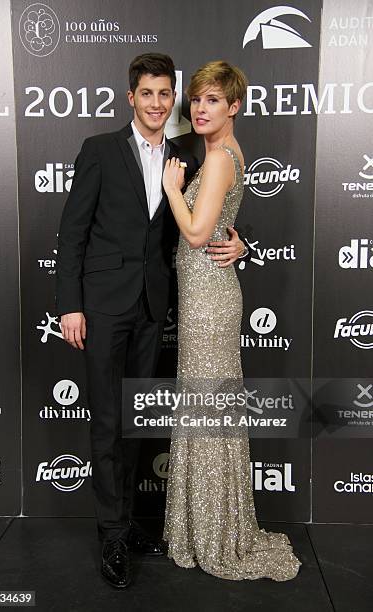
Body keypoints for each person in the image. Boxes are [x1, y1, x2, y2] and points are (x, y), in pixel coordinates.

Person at [56, 53, 248, 589]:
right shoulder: (98, 151)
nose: (159, 104)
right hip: (101, 307)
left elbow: (216, 212)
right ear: (131, 97)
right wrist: (70, 304)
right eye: (148, 94)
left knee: (138, 419)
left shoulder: (190, 150)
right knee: (105, 422)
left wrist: (241, 245)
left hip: (152, 307)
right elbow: (72, 235)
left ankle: (127, 524)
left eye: (167, 94)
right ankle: (112, 535)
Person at [162, 60, 301, 581]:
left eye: (213, 100)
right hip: (211, 295)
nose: (199, 108)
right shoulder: (227, 153)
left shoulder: (219, 158)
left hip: (209, 301)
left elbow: (198, 235)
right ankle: (215, 527)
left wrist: (173, 188)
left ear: (235, 106)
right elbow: (218, 227)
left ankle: (213, 534)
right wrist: (235, 238)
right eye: (196, 99)